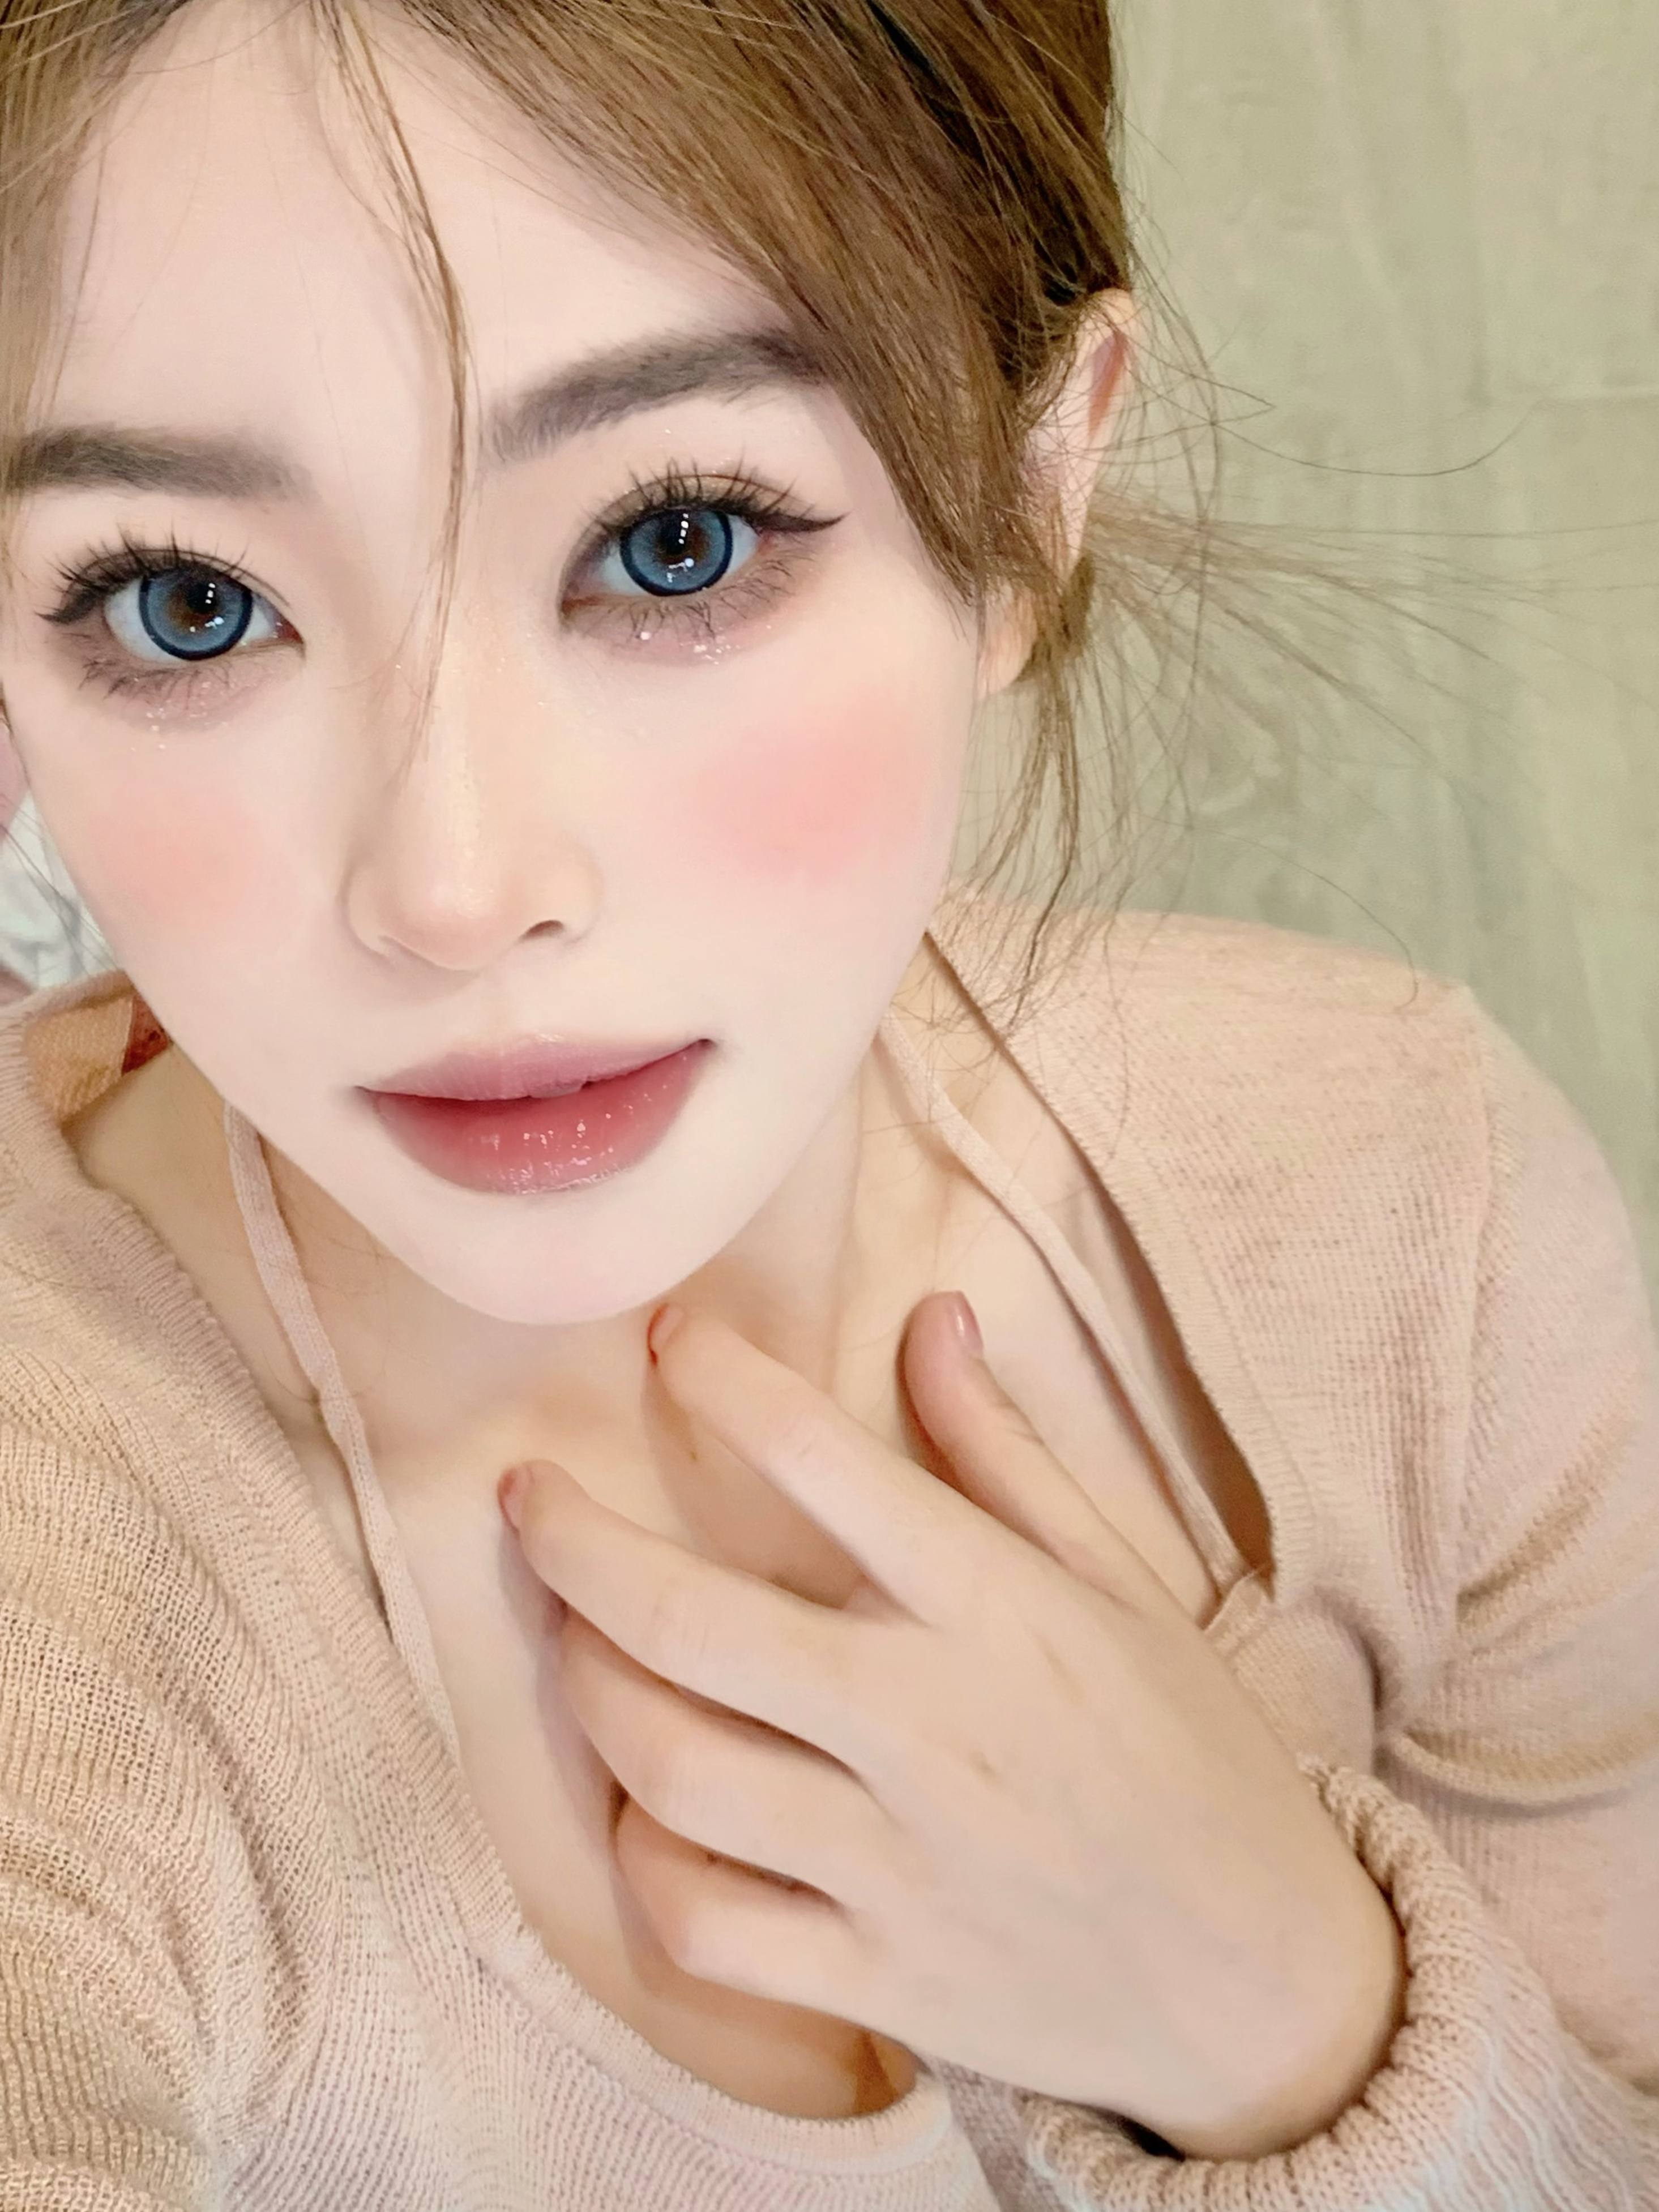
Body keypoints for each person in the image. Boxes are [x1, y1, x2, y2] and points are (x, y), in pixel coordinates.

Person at [0, 2, 1652, 2205]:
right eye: (188, 604)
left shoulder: (1406, 1193)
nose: (457, 891)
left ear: (1033, 491)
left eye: (672, 540)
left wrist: (1301, 2017)